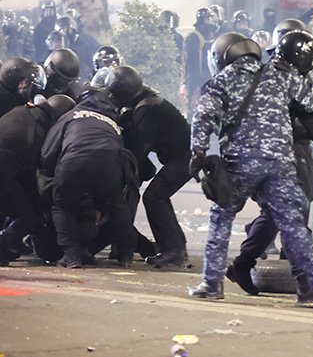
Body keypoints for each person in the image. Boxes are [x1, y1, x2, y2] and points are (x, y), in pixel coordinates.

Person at [188, 31, 313, 309]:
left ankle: (211, 283)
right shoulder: (279, 75)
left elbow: (203, 116)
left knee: (221, 216)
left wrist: (198, 150)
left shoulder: (222, 81)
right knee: (292, 223)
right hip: (281, 161)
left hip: (240, 162)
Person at [40, 67, 142, 268]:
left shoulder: (72, 115)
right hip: (110, 163)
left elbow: (48, 152)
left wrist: (50, 173)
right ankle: (126, 253)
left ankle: (72, 255)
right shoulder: (113, 122)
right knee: (115, 205)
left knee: (61, 205)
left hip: (74, 161)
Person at [123, 76, 192, 268]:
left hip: (185, 157)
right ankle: (177, 247)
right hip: (186, 156)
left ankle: (172, 252)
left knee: (154, 197)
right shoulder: (149, 101)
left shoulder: (147, 108)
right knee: (159, 196)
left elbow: (141, 146)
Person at [0, 95, 76, 265]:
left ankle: (11, 242)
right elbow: (34, 174)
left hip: (5, 172)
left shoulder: (21, 111)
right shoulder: (39, 131)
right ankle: (4, 242)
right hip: (3, 175)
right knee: (30, 214)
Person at [182, 7, 218, 119]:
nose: (210, 21)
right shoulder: (193, 37)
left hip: (209, 75)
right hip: (196, 77)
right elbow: (191, 60)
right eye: (208, 19)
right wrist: (195, 80)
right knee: (194, 106)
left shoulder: (210, 34)